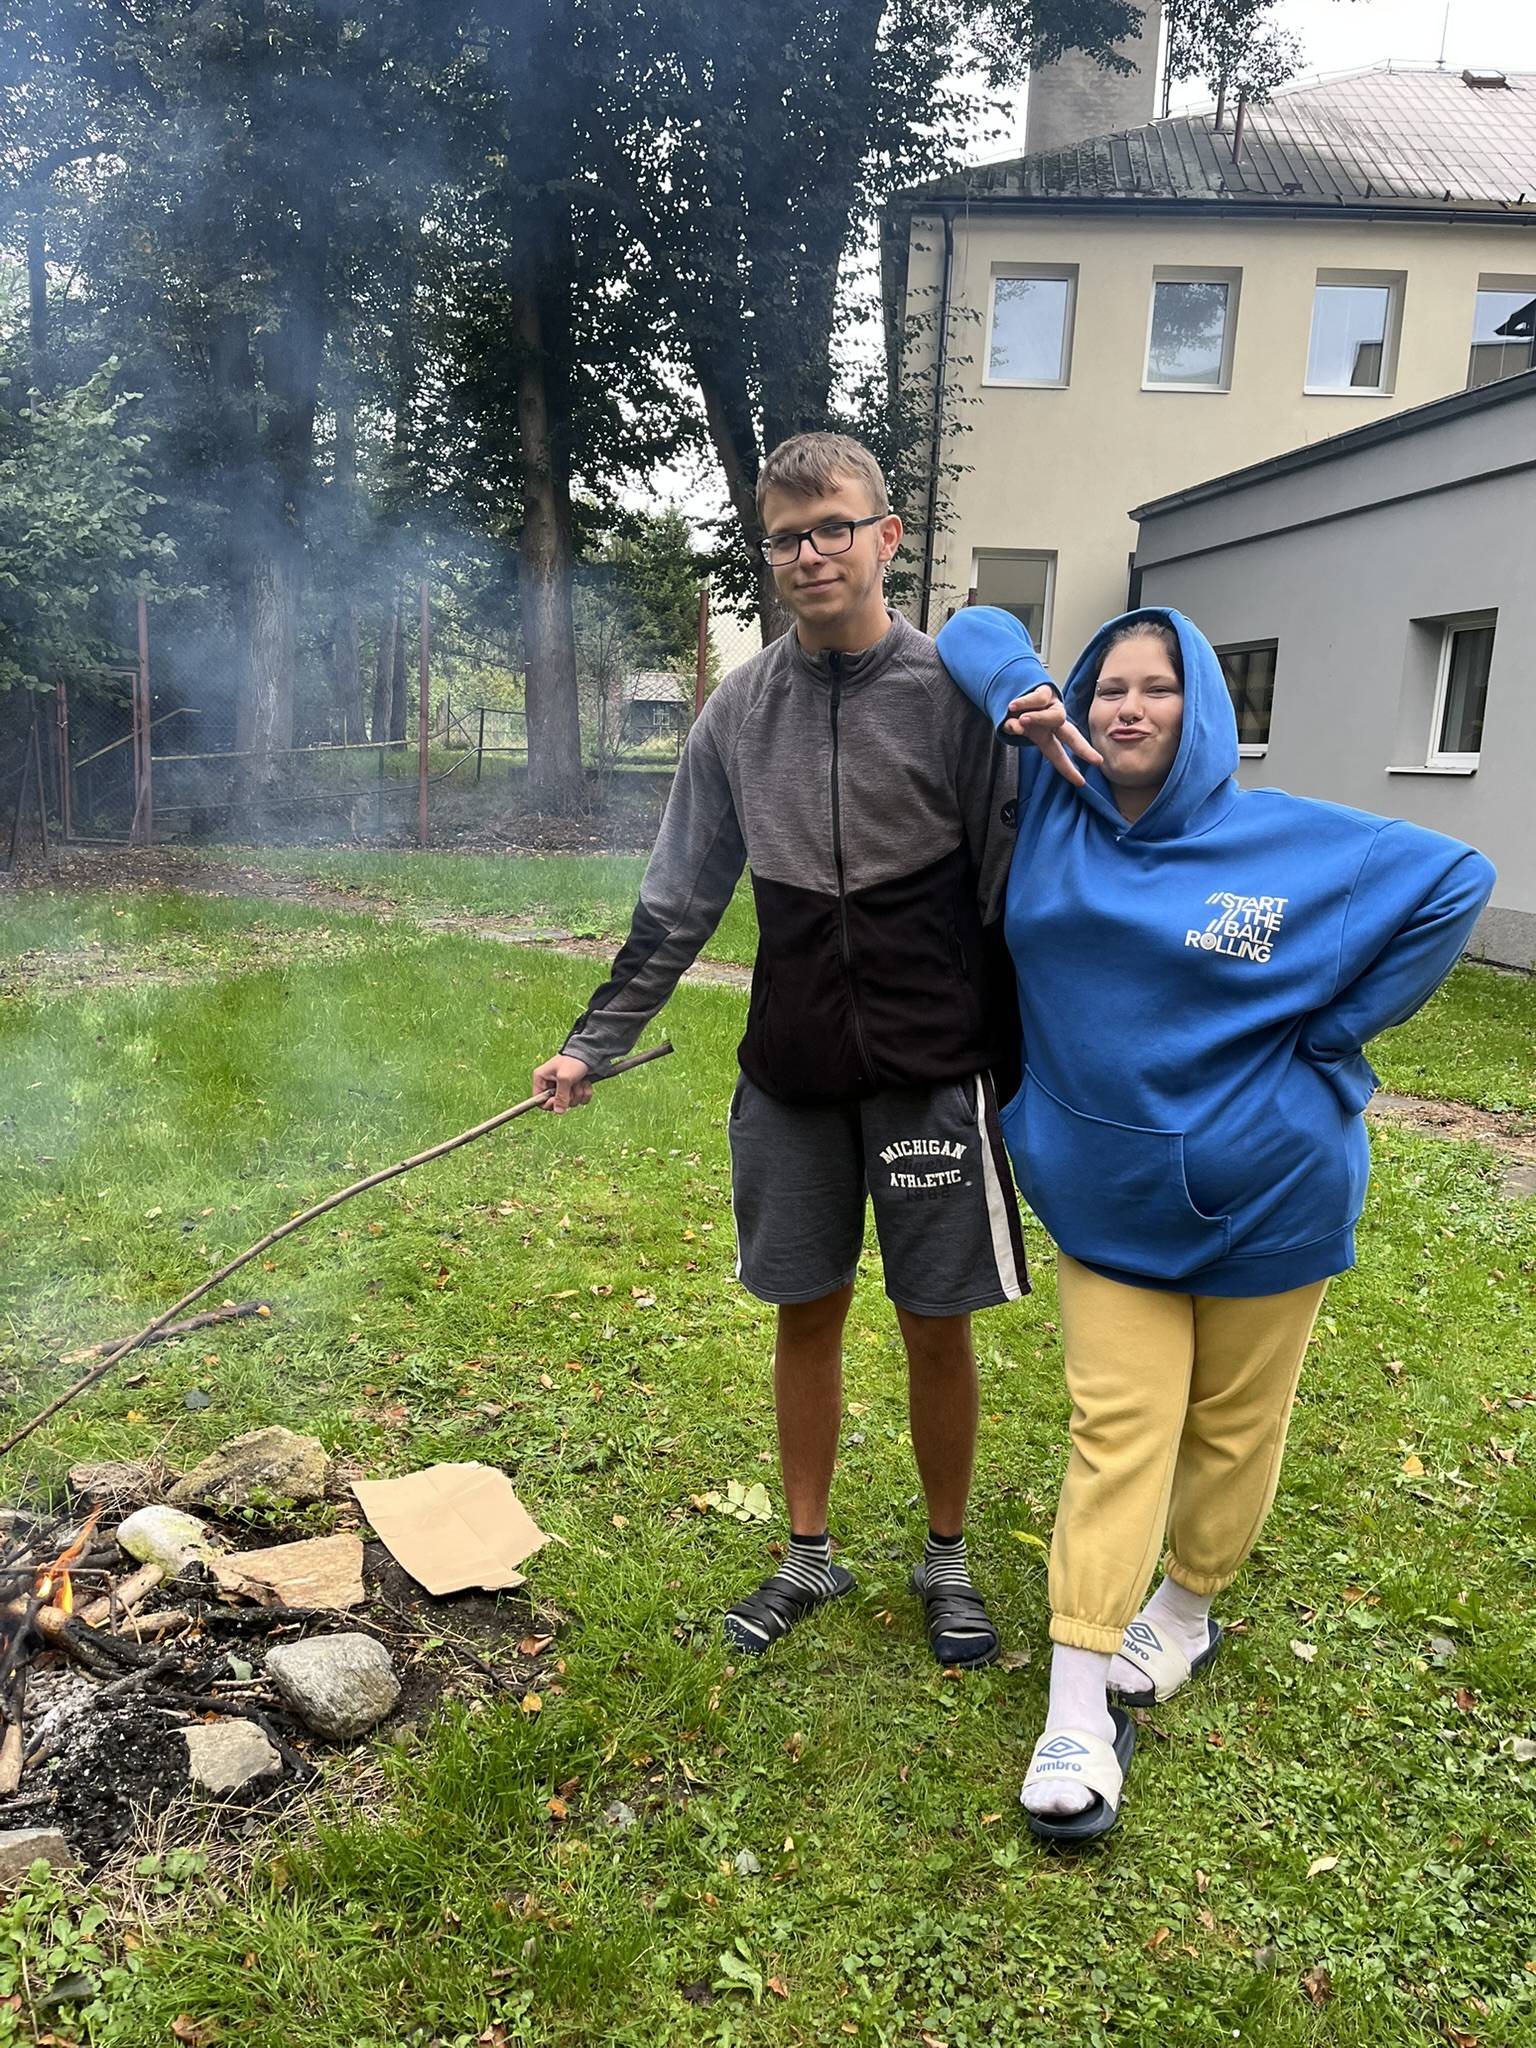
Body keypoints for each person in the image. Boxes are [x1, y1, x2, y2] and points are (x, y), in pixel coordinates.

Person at [936, 601, 1496, 1844]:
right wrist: (1025, 687)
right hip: (1107, 1202)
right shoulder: (1055, 806)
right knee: (1117, 1428)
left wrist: (1336, 1028)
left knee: (1235, 1426)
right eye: (1109, 685)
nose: (1127, 706)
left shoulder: (1284, 839)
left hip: (1274, 1197)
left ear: (1204, 709)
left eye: (1159, 686)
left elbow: (1459, 879)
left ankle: (1186, 1611)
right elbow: (970, 629)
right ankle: (1076, 1707)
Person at [534, 432, 1076, 1667]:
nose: (809, 553)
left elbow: (1016, 894)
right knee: (806, 1310)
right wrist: (592, 1044)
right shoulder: (738, 710)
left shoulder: (954, 696)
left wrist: (1029, 1059)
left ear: (886, 536)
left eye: (833, 526)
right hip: (792, 1072)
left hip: (933, 1069)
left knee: (936, 1319)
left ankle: (946, 1558)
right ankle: (809, 1551)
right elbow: (678, 899)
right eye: (785, 536)